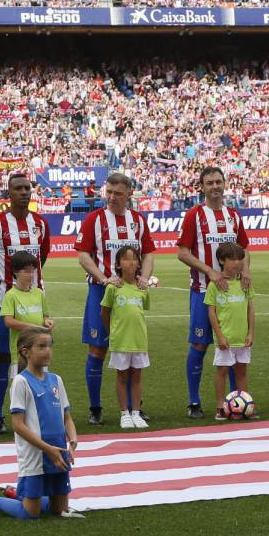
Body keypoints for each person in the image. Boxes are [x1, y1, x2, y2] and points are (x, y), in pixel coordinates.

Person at [0, 327, 78, 519]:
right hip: (35, 455)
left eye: (49, 346)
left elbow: (67, 417)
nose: (47, 350)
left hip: (58, 454)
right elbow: (18, 425)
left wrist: (72, 440)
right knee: (30, 514)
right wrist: (47, 448)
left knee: (59, 510)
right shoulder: (21, 382)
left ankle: (18, 494)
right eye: (41, 346)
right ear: (25, 351)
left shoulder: (57, 380)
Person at [75, 172, 155, 425]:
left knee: (132, 349)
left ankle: (134, 407)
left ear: (129, 194)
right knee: (97, 349)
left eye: (117, 193)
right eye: (108, 192)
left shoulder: (138, 221)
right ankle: (95, 407)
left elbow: (149, 253)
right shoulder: (94, 220)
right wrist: (103, 278)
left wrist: (145, 278)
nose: (111, 197)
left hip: (131, 294)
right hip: (102, 292)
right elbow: (83, 255)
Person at [0, 173, 50, 435]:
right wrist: (2, 281)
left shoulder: (40, 223)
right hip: (3, 302)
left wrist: (29, 285)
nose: (24, 193)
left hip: (34, 304)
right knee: (3, 356)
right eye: (18, 189)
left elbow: (43, 256)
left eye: (27, 188)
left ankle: (33, 412)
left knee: (36, 355)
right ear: (9, 193)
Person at [176, 166, 249, 419]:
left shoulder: (234, 216)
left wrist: (246, 271)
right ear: (202, 187)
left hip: (232, 296)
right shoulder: (194, 216)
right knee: (199, 344)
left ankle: (233, 400)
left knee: (231, 346)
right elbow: (182, 252)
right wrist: (211, 271)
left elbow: (244, 249)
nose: (215, 186)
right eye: (210, 183)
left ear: (225, 183)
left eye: (219, 181)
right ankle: (193, 401)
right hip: (202, 291)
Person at [101, 246, 151, 430]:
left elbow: (141, 311)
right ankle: (124, 414)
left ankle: (136, 413)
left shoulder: (142, 288)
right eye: (126, 259)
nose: (131, 262)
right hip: (120, 340)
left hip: (139, 340)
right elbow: (104, 312)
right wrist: (112, 331)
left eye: (134, 259)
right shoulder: (113, 288)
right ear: (118, 264)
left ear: (139, 263)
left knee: (137, 377)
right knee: (122, 377)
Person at [204, 242, 255, 420]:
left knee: (241, 371)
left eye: (239, 258)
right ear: (221, 260)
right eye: (232, 259)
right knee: (222, 371)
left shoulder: (245, 283)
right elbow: (211, 312)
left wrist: (250, 333)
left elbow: (250, 309)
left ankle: (244, 404)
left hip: (242, 337)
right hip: (225, 338)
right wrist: (219, 335)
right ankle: (220, 406)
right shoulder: (215, 285)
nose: (237, 262)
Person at [0, 251, 54, 372]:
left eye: (32, 271)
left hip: (40, 350)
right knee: (22, 385)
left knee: (41, 384)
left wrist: (48, 322)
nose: (30, 275)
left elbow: (45, 316)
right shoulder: (10, 295)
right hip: (22, 352)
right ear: (15, 272)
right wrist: (31, 327)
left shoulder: (39, 293)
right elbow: (8, 321)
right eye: (26, 271)